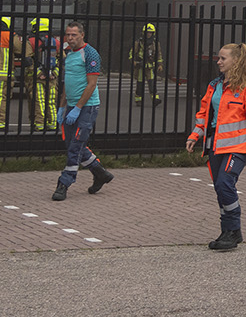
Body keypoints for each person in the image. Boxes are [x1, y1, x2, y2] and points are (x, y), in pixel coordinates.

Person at [186, 42, 246, 251]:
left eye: (223, 58)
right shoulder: (214, 85)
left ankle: (233, 230)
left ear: (236, 61)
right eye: (219, 58)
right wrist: (195, 135)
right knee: (221, 190)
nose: (218, 61)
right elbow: (204, 113)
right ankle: (227, 231)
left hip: (237, 147)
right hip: (215, 147)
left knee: (224, 183)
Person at [51, 21, 113, 201]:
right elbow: (67, 83)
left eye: (74, 35)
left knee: (76, 145)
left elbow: (91, 84)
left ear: (82, 35)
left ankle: (64, 182)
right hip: (71, 105)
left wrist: (77, 108)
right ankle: (100, 172)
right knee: (72, 144)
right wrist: (62, 107)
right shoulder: (69, 54)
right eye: (68, 35)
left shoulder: (90, 54)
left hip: (87, 106)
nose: (70, 38)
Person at [27, 17, 59, 129]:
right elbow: (63, 60)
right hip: (52, 77)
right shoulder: (56, 42)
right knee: (51, 100)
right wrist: (54, 73)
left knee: (38, 100)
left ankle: (39, 124)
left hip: (36, 78)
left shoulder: (31, 41)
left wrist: (38, 73)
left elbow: (27, 60)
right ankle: (53, 123)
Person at [128, 22, 164, 104]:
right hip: (140, 66)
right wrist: (134, 62)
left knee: (151, 83)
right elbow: (131, 54)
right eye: (147, 32)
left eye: (150, 33)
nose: (149, 34)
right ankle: (138, 99)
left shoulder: (155, 44)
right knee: (140, 84)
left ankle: (155, 99)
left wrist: (160, 65)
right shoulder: (138, 43)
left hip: (150, 66)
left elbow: (159, 54)